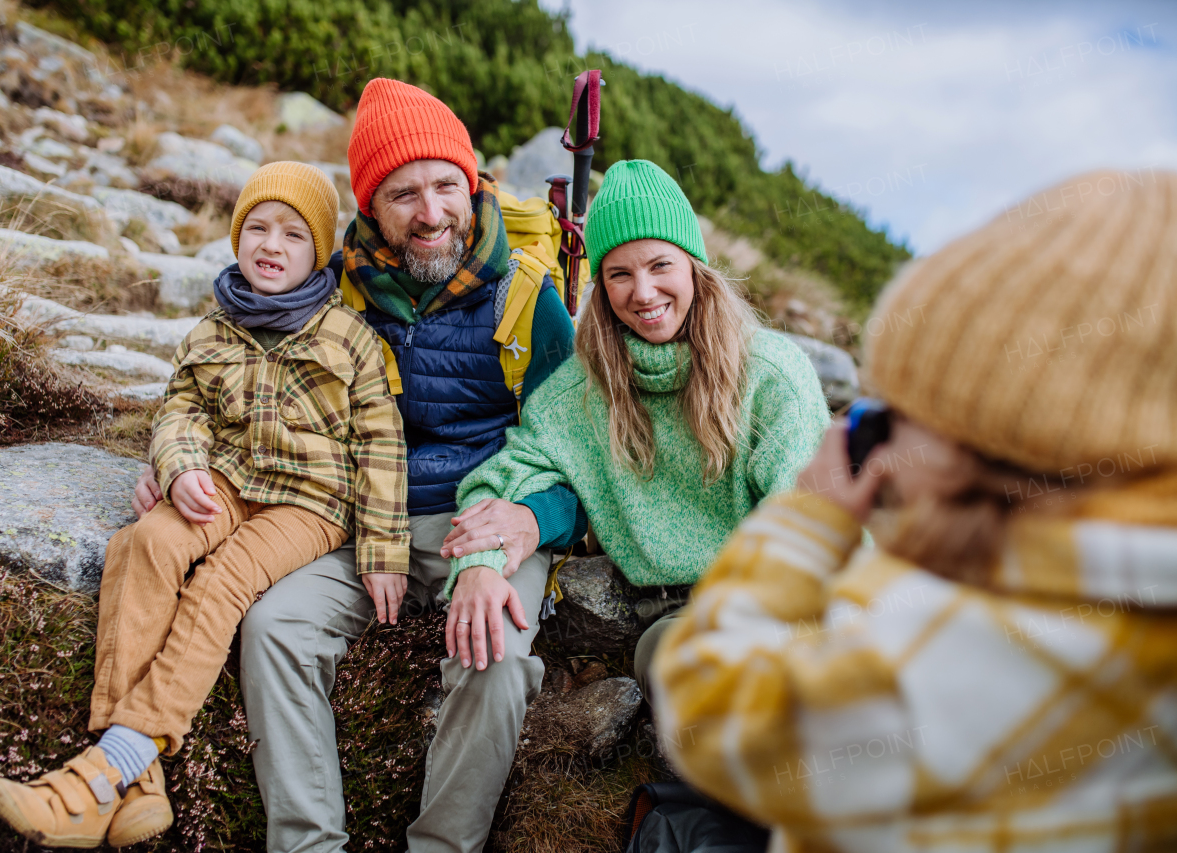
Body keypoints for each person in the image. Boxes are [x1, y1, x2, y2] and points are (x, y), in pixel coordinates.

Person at [653, 169, 1177, 852]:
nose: (871, 426)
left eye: (904, 409)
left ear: (992, 442)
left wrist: (805, 522)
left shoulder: (960, 651)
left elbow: (708, 708)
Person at [130, 79, 581, 852]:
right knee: (274, 626)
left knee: (496, 656)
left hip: (487, 512)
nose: (432, 212)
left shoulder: (529, 297)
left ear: (472, 185)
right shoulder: (336, 285)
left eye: (447, 185)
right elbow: (238, 378)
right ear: (370, 206)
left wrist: (530, 520)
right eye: (404, 193)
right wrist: (178, 457)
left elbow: (580, 453)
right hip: (355, 513)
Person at [0, 162, 409, 849]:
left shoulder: (349, 337)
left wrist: (385, 551)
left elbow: (383, 447)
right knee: (145, 542)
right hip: (229, 482)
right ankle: (136, 788)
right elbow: (179, 410)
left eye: (293, 235)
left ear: (319, 251)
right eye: (257, 228)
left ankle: (94, 777)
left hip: (311, 505)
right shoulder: (211, 330)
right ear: (236, 238)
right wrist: (177, 466)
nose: (272, 244)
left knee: (224, 580)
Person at [444, 159, 830, 697]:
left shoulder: (770, 375)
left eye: (660, 265)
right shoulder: (579, 392)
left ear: (694, 265)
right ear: (601, 287)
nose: (643, 292)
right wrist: (483, 564)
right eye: (619, 274)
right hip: (674, 622)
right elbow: (506, 478)